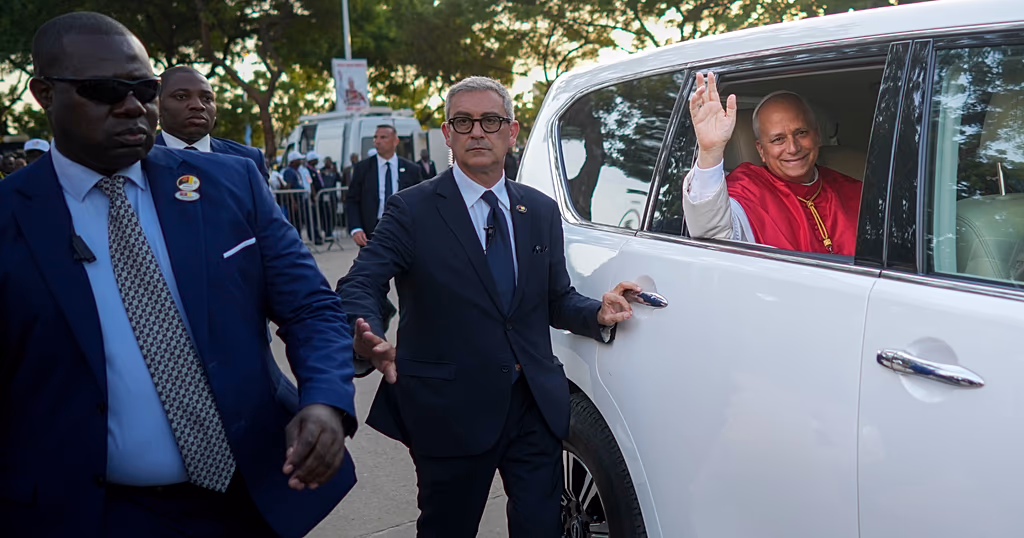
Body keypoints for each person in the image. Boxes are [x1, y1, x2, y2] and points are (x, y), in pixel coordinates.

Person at [0, 12, 357, 538]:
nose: (131, 107)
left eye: (144, 90)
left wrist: (325, 400)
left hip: (249, 497)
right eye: (104, 90)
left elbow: (310, 306)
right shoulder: (11, 217)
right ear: (44, 93)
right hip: (90, 514)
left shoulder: (230, 184)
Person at [336, 76, 640, 537]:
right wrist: (366, 331)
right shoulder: (411, 210)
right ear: (448, 134)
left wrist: (596, 312)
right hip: (449, 411)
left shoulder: (539, 210)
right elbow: (361, 281)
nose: (477, 132)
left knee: (541, 527)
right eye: (464, 121)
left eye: (491, 121)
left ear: (511, 132)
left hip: (533, 406)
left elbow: (555, 300)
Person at [682, 72, 862, 255]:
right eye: (778, 139)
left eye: (801, 133)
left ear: (817, 135)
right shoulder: (747, 190)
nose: (792, 148)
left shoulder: (854, 190)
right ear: (761, 150)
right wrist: (710, 152)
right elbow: (712, 235)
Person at [154, 65, 270, 181]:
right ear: (156, 105)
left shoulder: (249, 159)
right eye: (181, 96)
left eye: (207, 98)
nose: (198, 105)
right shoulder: (140, 159)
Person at [345, 125, 423, 247]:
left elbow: (420, 201)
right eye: (375, 137)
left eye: (383, 137)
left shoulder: (411, 169)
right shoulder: (363, 168)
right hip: (372, 231)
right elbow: (352, 200)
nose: (378, 141)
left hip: (403, 229)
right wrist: (356, 228)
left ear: (395, 141)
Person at [319, 156, 342, 232]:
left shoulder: (333, 172)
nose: (329, 163)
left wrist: (335, 171)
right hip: (324, 195)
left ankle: (331, 230)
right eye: (327, 162)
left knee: (332, 213)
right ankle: (325, 229)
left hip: (333, 195)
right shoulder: (321, 171)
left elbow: (339, 179)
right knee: (325, 213)